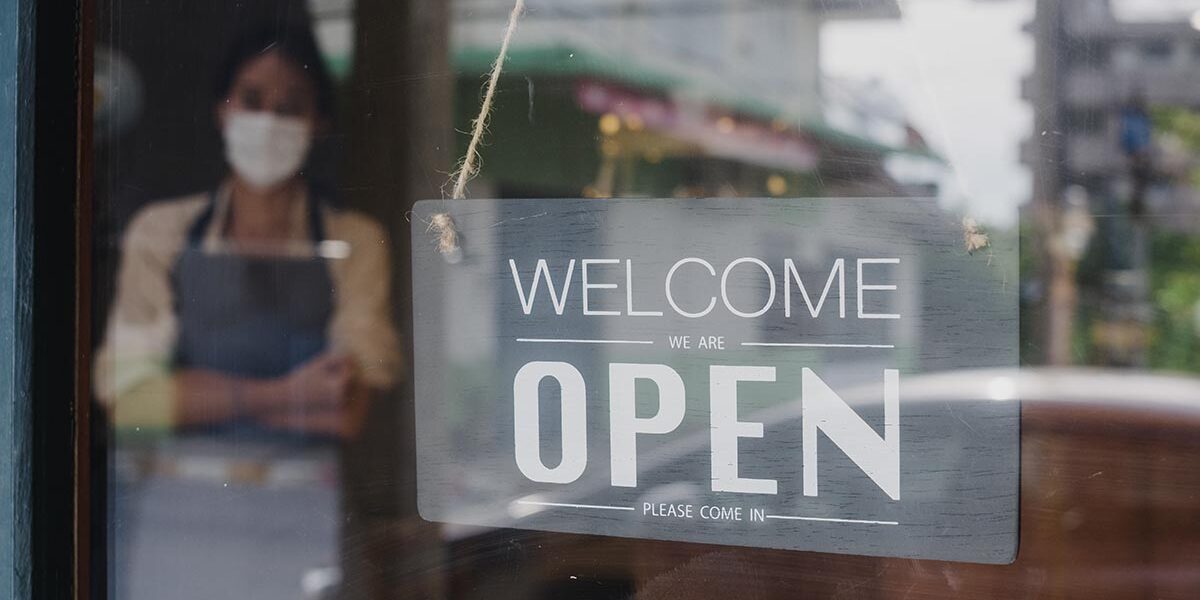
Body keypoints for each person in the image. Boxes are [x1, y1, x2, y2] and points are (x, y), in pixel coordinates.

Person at [94, 19, 401, 599]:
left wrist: (194, 395)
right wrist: (287, 396)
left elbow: (345, 411)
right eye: (253, 100)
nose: (269, 121)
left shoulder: (354, 242)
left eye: (292, 106)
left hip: (302, 518)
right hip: (176, 522)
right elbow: (131, 403)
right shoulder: (160, 233)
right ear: (221, 110)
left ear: (320, 123)